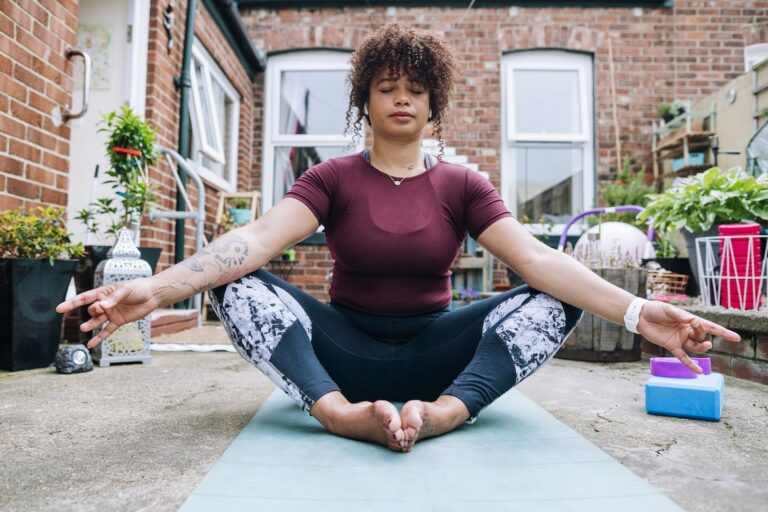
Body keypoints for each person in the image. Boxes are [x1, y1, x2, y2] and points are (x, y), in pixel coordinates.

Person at [57, 24, 740, 453]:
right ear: (366, 102)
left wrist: (639, 313)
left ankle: (446, 413)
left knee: (553, 295)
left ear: (433, 102)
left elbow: (535, 257)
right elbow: (258, 238)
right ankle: (335, 414)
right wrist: (150, 284)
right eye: (387, 88)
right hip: (340, 353)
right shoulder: (332, 178)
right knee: (237, 283)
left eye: (415, 89)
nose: (402, 99)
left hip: (439, 355)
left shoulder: (464, 186)